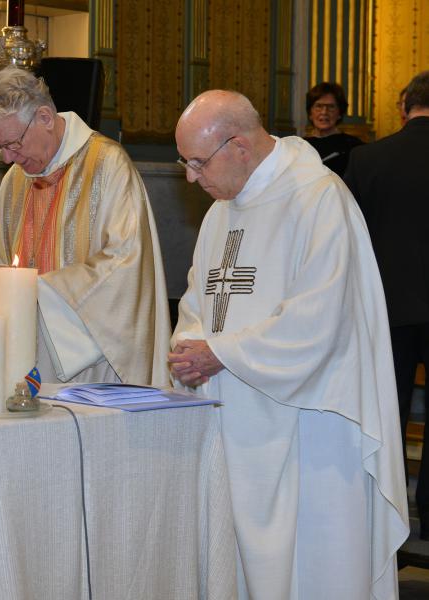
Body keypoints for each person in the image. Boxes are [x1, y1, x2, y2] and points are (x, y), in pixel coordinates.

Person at [170, 90, 408, 599]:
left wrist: (222, 353)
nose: (191, 177)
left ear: (238, 145)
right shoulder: (220, 212)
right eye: (184, 163)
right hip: (233, 417)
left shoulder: (318, 197)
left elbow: (321, 317)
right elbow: (198, 297)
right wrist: (189, 345)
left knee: (315, 564)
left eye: (197, 162)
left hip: (309, 427)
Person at [0, 66, 171, 386]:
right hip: (26, 350)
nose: (8, 158)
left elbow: (126, 261)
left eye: (13, 143)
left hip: (90, 357)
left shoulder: (106, 164)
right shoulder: (15, 180)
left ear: (45, 118)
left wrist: (43, 292)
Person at [345, 70, 429, 540]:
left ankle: (385, 522)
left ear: (403, 107)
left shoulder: (367, 158)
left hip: (387, 310)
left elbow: (350, 240)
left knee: (387, 414)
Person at [303, 81, 363, 176]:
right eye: (318, 106)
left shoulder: (354, 146)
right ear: (310, 113)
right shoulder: (299, 146)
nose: (324, 112)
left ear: (339, 113)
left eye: (331, 107)